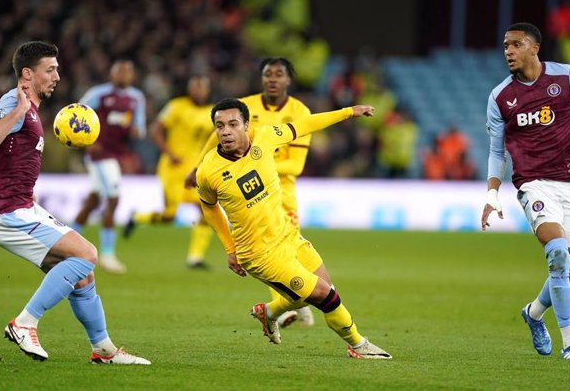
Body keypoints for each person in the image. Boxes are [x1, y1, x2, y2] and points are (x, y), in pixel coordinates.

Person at [0, 41, 149, 364]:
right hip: (7, 211)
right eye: (50, 70)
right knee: (87, 254)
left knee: (82, 275)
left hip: (19, 203)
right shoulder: (15, 102)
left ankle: (104, 350)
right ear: (27, 73)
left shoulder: (29, 107)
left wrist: (12, 179)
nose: (57, 76)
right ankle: (25, 322)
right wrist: (19, 112)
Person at [195, 98, 391, 359]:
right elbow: (209, 207)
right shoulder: (208, 170)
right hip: (259, 254)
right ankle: (359, 345)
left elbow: (304, 124)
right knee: (324, 296)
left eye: (232, 124)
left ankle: (269, 312)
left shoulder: (265, 138)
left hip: (288, 236)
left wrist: (348, 112)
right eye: (220, 126)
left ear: (246, 124)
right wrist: (230, 247)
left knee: (323, 288)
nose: (226, 131)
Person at [481, 23, 570, 360]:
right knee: (557, 253)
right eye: (505, 46)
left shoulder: (567, 78)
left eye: (516, 44)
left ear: (535, 47)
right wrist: (491, 194)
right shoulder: (500, 97)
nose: (508, 52)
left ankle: (532, 313)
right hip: (533, 184)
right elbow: (496, 153)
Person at [186, 58, 315, 327]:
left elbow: (296, 165)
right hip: (245, 192)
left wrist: (258, 161)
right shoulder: (244, 106)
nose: (272, 79)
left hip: (282, 191)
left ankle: (295, 300)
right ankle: (287, 306)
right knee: (264, 248)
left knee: (288, 250)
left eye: (279, 75)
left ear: (289, 80)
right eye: (268, 74)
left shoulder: (300, 111)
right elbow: (216, 136)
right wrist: (199, 164)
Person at [123, 75, 215, 269]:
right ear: (190, 89)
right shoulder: (176, 106)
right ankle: (137, 218)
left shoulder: (211, 112)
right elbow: (156, 129)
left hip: (195, 168)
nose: (199, 91)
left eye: (202, 88)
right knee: (169, 216)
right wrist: (169, 152)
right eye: (196, 87)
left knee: (206, 210)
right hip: (172, 168)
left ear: (207, 90)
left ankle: (195, 257)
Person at [71, 60, 146, 274]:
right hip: (100, 153)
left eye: (127, 72)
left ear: (132, 76)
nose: (124, 75)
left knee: (94, 200)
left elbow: (139, 127)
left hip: (117, 154)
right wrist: (87, 141)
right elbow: (77, 114)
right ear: (112, 74)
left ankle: (63, 243)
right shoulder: (98, 94)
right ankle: (107, 253)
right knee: (113, 198)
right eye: (120, 71)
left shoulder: (136, 98)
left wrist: (136, 132)